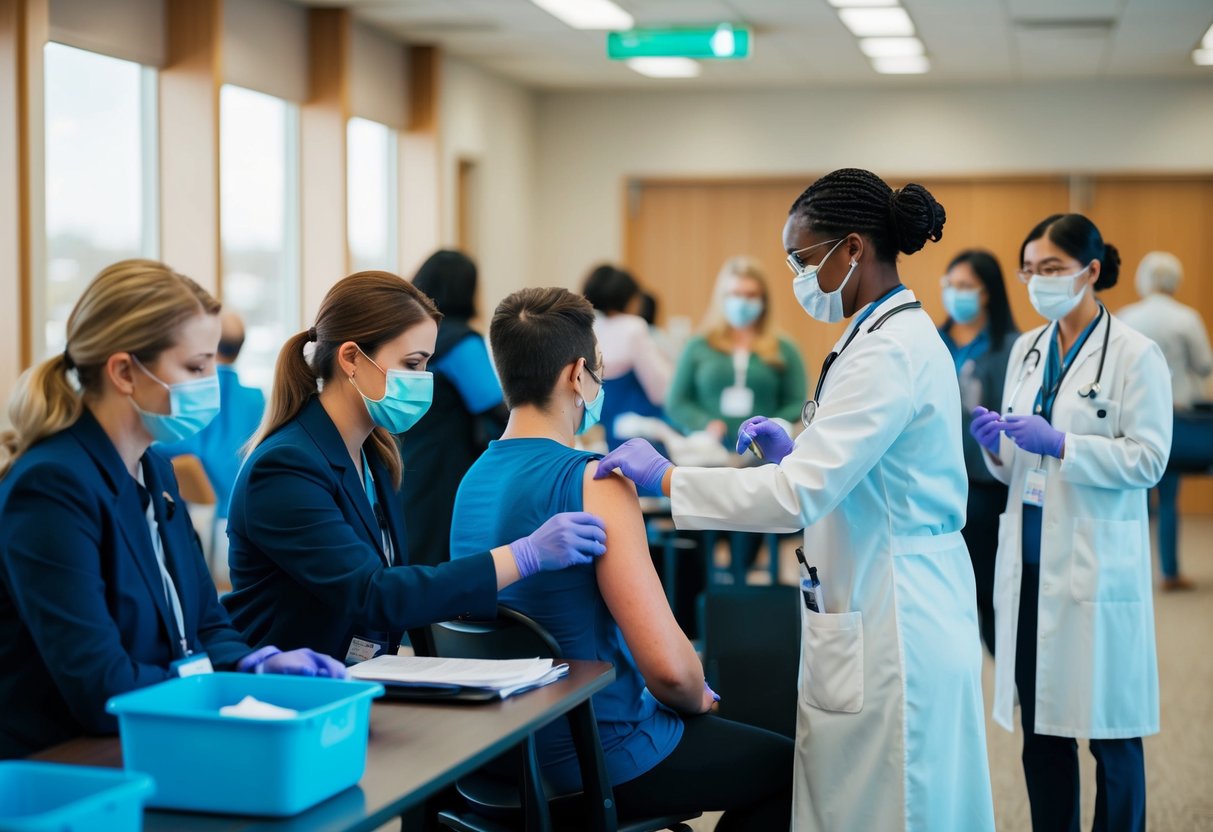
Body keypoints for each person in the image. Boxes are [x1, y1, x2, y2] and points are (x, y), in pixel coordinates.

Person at [595, 169, 995, 832]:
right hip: (874, 583)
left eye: (802, 259)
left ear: (853, 250)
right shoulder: (871, 333)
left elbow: (796, 496)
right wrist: (797, 450)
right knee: (862, 791)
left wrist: (667, 479)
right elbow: (857, 467)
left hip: (894, 607)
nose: (796, 278)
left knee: (893, 801)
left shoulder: (887, 349)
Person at [450, 287, 793, 830]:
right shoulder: (597, 480)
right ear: (578, 374)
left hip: (500, 754)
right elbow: (671, 673)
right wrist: (693, 693)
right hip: (595, 753)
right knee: (789, 768)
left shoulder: (470, 481)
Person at [0, 259, 346, 759]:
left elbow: (204, 624)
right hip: (70, 764)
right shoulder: (52, 486)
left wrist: (255, 663)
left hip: (156, 739)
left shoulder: (157, 471)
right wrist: (209, 679)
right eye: (195, 367)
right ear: (123, 371)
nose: (210, 384)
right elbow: (103, 686)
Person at [222, 271, 607, 665]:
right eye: (412, 363)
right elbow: (374, 594)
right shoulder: (286, 466)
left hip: (357, 680)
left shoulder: (374, 456)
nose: (423, 380)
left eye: (425, 365)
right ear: (352, 358)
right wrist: (524, 555)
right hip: (288, 694)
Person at [971, 214, 1170, 832]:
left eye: (1051, 269)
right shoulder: (1027, 350)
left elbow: (1150, 459)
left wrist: (1063, 444)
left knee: (1110, 733)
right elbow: (1014, 471)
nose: (1037, 281)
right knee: (1042, 728)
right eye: (1029, 270)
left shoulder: (1137, 355)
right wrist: (995, 450)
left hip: (1096, 569)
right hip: (1030, 568)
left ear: (1090, 271)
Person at [399, 250, 506, 568]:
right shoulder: (460, 342)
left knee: (412, 550)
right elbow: (494, 407)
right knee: (439, 556)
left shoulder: (405, 335)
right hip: (445, 468)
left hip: (404, 460)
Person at [938, 249, 1018, 654]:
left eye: (965, 286)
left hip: (986, 483)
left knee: (988, 585)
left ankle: (1004, 664)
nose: (955, 294)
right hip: (935, 479)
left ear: (987, 293)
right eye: (949, 285)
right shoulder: (932, 340)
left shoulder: (1012, 347)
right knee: (946, 591)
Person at [1118, 251, 1212, 590]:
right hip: (1174, 418)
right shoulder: (1187, 318)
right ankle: (1169, 572)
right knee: (1169, 496)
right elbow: (1204, 365)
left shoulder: (1126, 315)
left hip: (1131, 415)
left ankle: (1132, 570)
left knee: (1135, 496)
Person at [163, 310, 266, 578]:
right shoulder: (258, 400)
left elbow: (176, 452)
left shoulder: (194, 396)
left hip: (201, 530)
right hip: (248, 529)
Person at [666, 257, 807, 446]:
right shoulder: (698, 346)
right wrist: (705, 423)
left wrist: (767, 427)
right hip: (708, 451)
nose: (742, 302)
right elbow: (676, 402)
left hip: (762, 454)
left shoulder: (785, 349)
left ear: (764, 301)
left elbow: (796, 403)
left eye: (751, 295)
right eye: (735, 294)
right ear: (722, 298)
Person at [583, 264, 672, 450]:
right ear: (629, 299)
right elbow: (660, 391)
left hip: (592, 429)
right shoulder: (633, 327)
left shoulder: (582, 326)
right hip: (631, 434)